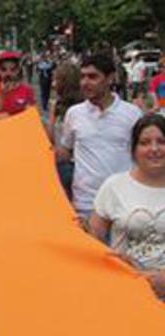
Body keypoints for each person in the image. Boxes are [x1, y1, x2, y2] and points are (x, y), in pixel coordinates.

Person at [57, 54, 143, 223]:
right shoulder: (74, 114)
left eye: (92, 77)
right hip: (85, 205)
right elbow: (65, 153)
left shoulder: (132, 114)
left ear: (110, 78)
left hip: (123, 205)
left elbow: (141, 158)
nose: (85, 82)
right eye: (82, 77)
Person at [89, 114, 165, 300]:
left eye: (161, 142)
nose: (154, 149)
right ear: (133, 149)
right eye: (145, 142)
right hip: (125, 292)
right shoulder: (114, 187)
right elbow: (93, 241)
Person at [47, 62, 83, 199]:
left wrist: (51, 114)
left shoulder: (57, 106)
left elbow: (50, 136)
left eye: (56, 79)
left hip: (62, 163)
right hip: (82, 165)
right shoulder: (85, 106)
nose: (53, 83)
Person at [0, 51, 36, 118]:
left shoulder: (27, 90)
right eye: (3, 69)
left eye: (13, 69)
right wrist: (2, 94)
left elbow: (31, 115)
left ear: (18, 70)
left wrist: (10, 116)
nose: (8, 73)